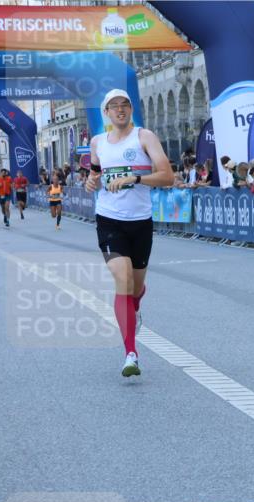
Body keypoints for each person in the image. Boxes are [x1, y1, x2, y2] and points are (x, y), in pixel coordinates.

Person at [84, 89, 174, 377]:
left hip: (141, 221)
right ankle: (130, 354)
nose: (120, 110)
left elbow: (167, 177)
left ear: (130, 109)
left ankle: (136, 299)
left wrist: (135, 177)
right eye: (114, 106)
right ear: (106, 113)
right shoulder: (97, 143)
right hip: (109, 220)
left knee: (134, 288)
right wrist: (91, 181)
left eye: (125, 105)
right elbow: (95, 174)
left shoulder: (144, 137)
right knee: (121, 279)